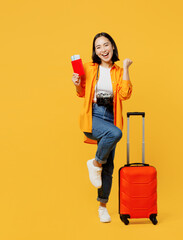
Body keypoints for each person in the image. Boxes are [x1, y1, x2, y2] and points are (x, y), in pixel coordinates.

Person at [71, 32, 133, 223]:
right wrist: (76, 84)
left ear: (112, 47)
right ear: (95, 52)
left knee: (109, 166)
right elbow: (81, 93)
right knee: (116, 133)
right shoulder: (89, 68)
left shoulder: (117, 71)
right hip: (94, 115)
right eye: (98, 47)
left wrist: (125, 68)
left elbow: (124, 95)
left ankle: (102, 207)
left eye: (106, 45)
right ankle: (95, 163)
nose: (103, 50)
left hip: (111, 115)